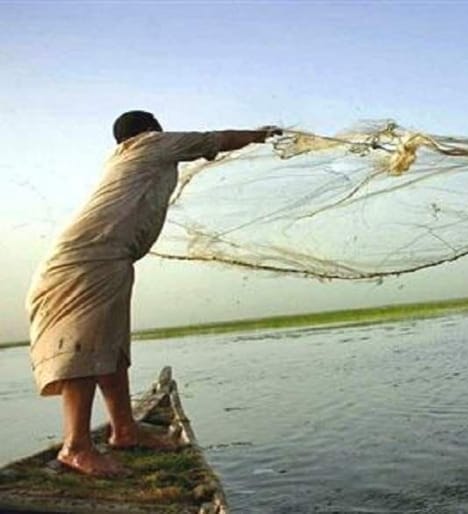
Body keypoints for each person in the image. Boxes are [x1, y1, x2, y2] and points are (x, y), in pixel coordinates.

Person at [25, 111, 282, 477]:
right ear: (150, 130)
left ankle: (125, 430)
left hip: (103, 258)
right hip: (87, 260)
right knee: (83, 349)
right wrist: (260, 135)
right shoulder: (150, 144)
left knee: (110, 348)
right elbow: (218, 138)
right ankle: (76, 448)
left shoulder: (127, 157)